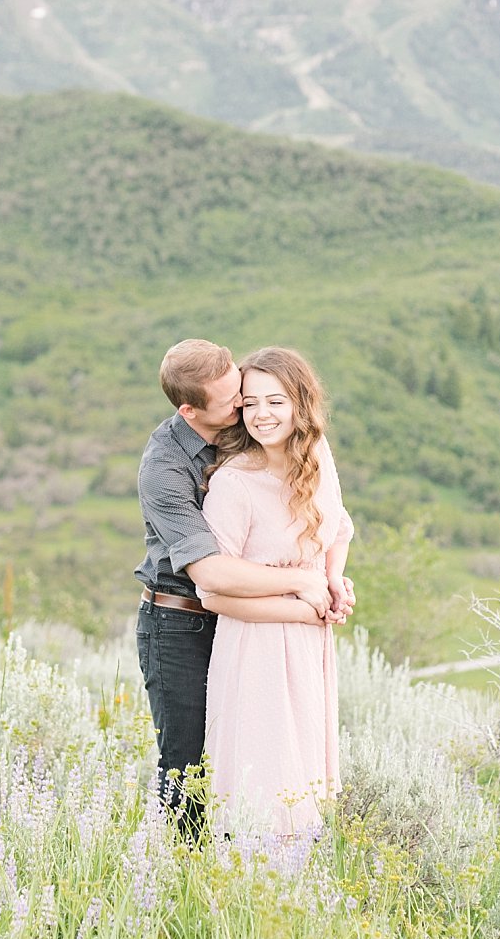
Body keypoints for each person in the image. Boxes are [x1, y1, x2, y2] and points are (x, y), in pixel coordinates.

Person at [133, 339, 347, 840]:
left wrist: (327, 578)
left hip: (256, 623)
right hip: (181, 620)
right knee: (191, 768)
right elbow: (212, 576)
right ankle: (186, 880)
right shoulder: (164, 469)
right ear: (190, 410)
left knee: (268, 757)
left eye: (245, 392)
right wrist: (301, 586)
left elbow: (329, 522)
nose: (244, 407)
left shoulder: (255, 436)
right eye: (237, 402)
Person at [197, 347, 353, 837]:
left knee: (305, 788)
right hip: (255, 651)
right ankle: (247, 896)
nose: (261, 414)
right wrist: (300, 605)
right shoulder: (234, 484)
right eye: (250, 403)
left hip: (309, 652)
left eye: (276, 402)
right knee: (262, 788)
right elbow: (213, 595)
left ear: (300, 405)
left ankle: (301, 896)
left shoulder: (318, 459)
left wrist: (332, 580)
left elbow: (340, 530)